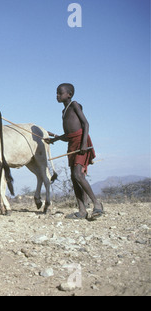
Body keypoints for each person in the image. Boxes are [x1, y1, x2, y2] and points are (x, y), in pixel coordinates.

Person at [45, 83, 104, 220]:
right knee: (74, 177)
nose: (57, 96)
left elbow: (85, 124)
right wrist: (55, 138)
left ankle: (97, 204)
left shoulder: (74, 105)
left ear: (69, 95)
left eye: (60, 93)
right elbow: (68, 135)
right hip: (72, 143)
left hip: (81, 142)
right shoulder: (63, 111)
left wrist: (83, 144)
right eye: (57, 93)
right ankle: (82, 211)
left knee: (78, 174)